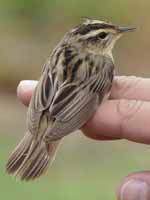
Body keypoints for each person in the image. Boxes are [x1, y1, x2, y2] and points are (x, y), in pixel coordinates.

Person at [17, 75, 150, 200]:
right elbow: (86, 100)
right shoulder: (104, 64)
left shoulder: (59, 54)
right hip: (67, 110)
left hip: (47, 104)